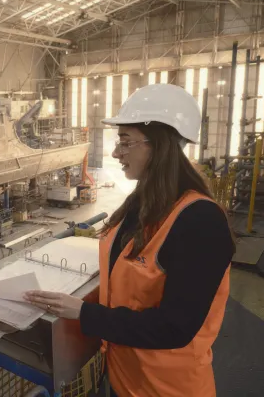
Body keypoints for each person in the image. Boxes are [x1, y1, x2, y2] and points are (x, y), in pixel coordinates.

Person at [25, 84, 235, 396]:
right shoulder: (139, 205)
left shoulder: (200, 222)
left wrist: (84, 314)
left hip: (167, 389)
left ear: (159, 145)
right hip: (121, 377)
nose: (115, 153)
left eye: (125, 141)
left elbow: (174, 327)